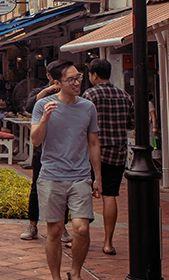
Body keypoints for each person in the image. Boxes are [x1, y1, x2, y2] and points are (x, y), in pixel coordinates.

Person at [31, 60, 101, 280]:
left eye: (79, 77)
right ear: (57, 82)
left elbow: (93, 143)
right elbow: (35, 141)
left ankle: (76, 273)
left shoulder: (88, 107)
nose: (77, 82)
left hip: (80, 177)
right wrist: (44, 119)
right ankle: (56, 277)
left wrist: (97, 177)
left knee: (81, 229)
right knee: (55, 230)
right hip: (51, 177)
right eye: (71, 79)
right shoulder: (43, 105)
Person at [81, 58, 134, 256]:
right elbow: (132, 123)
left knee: (84, 195)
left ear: (94, 75)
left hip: (91, 153)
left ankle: (82, 238)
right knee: (110, 195)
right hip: (117, 153)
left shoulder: (89, 95)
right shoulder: (124, 96)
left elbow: (81, 123)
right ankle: (108, 242)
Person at [20, 61, 72, 244]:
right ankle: (32, 225)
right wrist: (46, 92)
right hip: (41, 149)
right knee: (36, 187)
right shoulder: (39, 94)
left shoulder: (69, 96)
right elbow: (28, 107)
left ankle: (62, 226)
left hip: (62, 150)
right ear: (49, 76)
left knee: (62, 189)